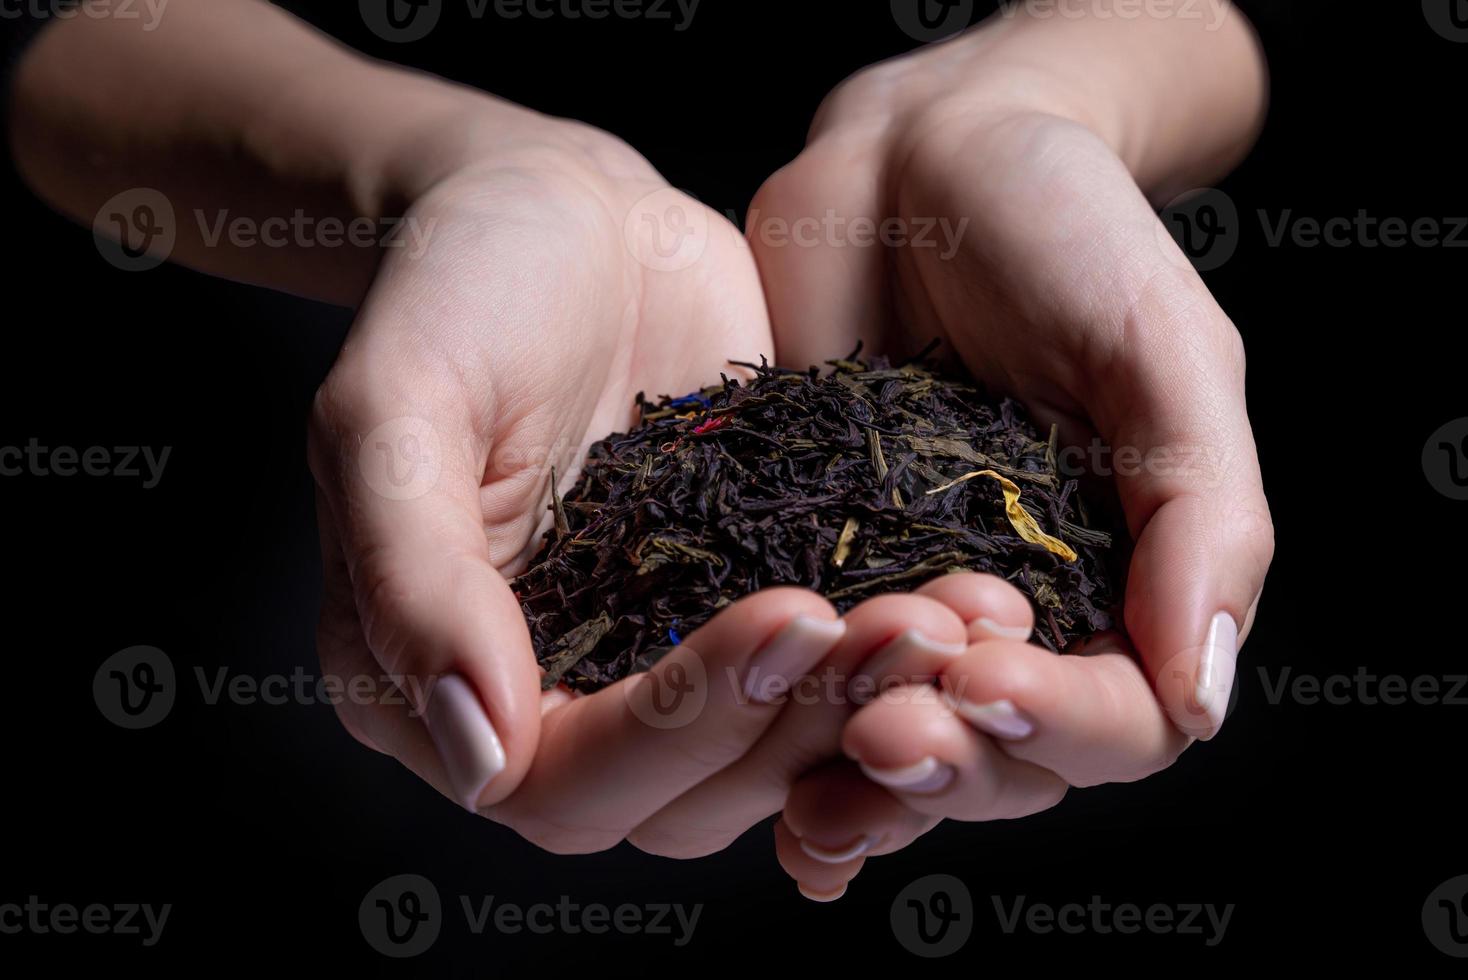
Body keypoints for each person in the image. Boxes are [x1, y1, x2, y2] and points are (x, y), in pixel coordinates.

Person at [6, 0, 1274, 901]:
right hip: (416, 483)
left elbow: (1220, 27)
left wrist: (1013, 102)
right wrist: (456, 169)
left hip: (990, 400)